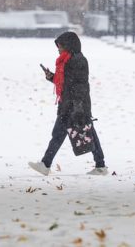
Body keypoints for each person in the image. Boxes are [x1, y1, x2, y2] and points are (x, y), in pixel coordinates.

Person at [29, 31, 108, 176]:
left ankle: (45, 164)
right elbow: (66, 83)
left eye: (60, 46)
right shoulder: (66, 60)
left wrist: (77, 107)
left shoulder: (77, 60)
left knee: (64, 134)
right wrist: (51, 77)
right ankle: (100, 166)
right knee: (69, 134)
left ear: (68, 45)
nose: (58, 49)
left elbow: (79, 86)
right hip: (68, 104)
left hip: (75, 106)